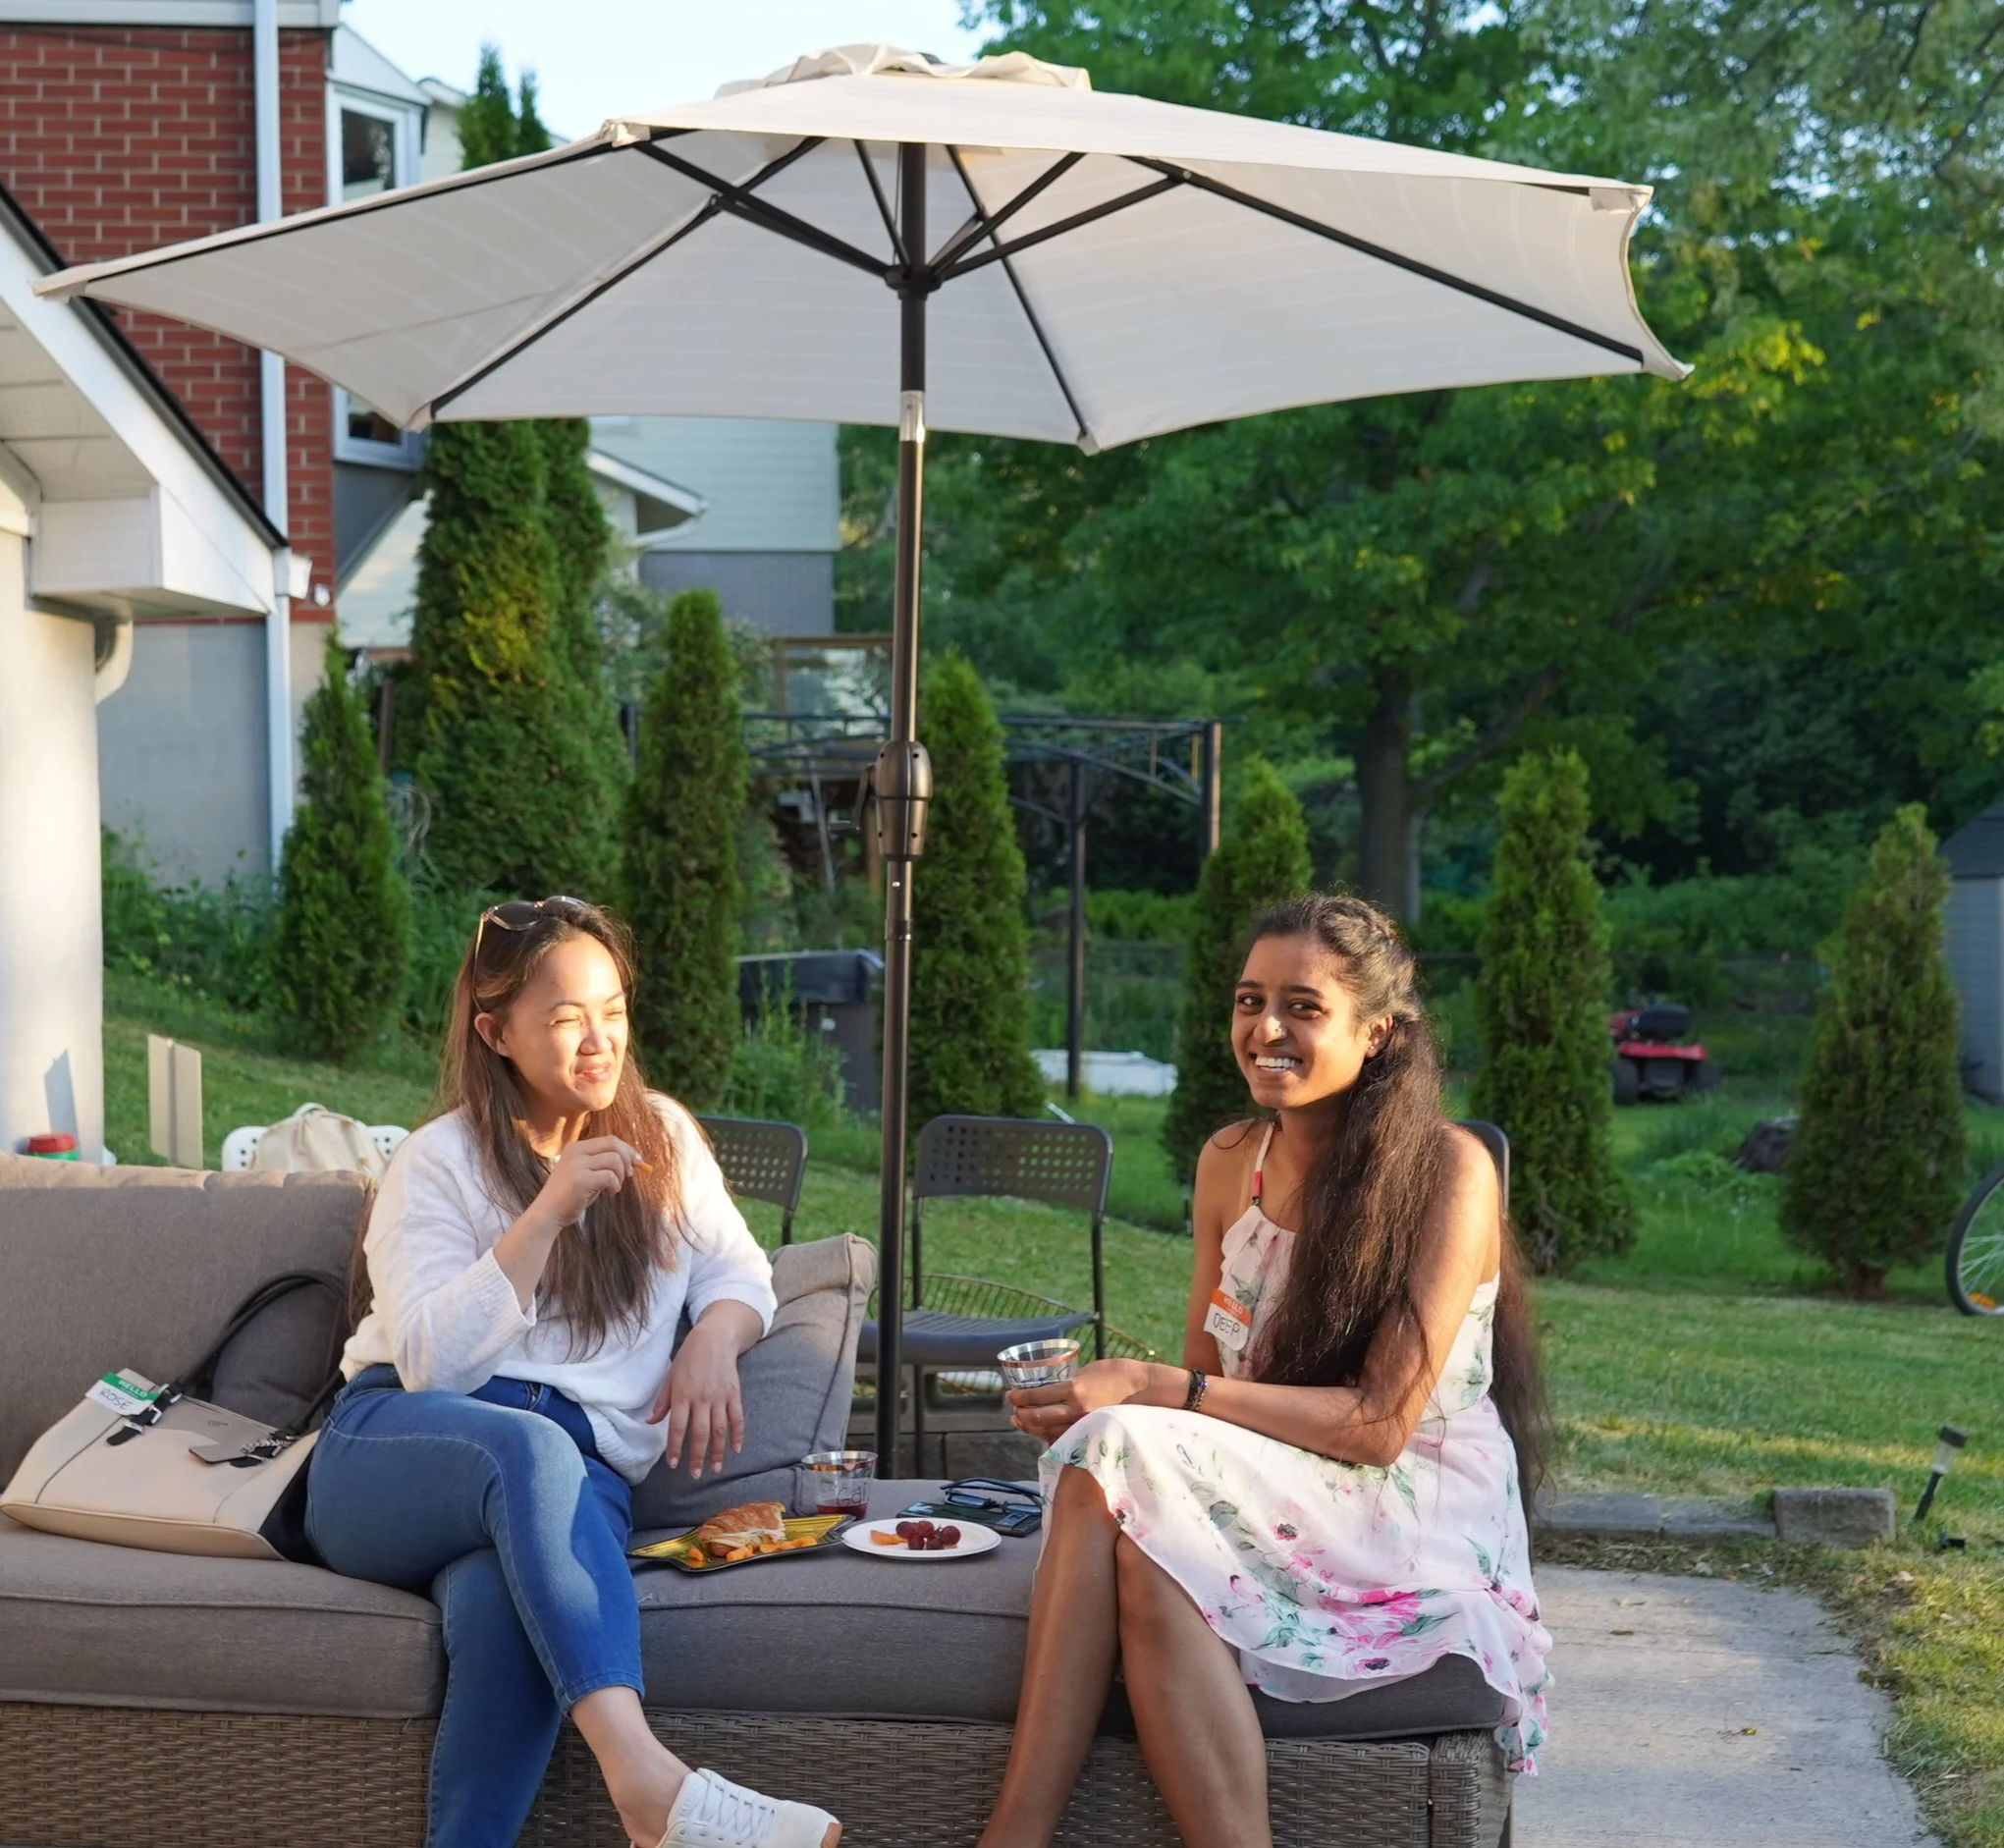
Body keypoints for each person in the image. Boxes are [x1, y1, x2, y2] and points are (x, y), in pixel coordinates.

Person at [976, 893, 1550, 1848]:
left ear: (1375, 1032)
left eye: (1302, 1006)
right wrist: (1135, 1403)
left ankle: (1012, 1839)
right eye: (1248, 1000)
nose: (1265, 1028)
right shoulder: (1229, 1162)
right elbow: (1206, 1377)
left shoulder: (1448, 1174)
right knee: (1131, 1500)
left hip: (1407, 1496)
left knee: (1120, 1451)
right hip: (1284, 1473)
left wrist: (1154, 1393)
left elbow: (1376, 1425)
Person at [305, 897, 840, 1848]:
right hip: (397, 1452)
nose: (599, 1039)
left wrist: (713, 1336)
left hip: (568, 1478)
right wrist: (546, 1211)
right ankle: (648, 1784)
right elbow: (431, 1359)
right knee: (529, 1446)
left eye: (613, 1009)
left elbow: (738, 1271)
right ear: (493, 1030)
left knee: (503, 1608)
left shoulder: (663, 1138)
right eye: (563, 1017)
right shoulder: (437, 1163)